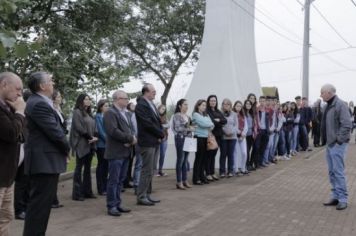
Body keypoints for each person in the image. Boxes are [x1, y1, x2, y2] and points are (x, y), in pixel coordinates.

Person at [23, 72, 70, 236]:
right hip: (43, 162)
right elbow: (55, 132)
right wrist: (67, 148)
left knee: (41, 208)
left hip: (46, 160)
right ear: (42, 86)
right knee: (39, 208)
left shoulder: (40, 102)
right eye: (50, 81)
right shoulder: (38, 104)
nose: (53, 83)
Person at [0, 72, 26, 236]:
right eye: (17, 89)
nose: (19, 94)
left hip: (7, 176)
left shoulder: (9, 106)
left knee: (6, 217)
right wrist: (20, 112)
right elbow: (11, 133)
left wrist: (18, 113)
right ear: (3, 84)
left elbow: (21, 134)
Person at [104, 90, 136, 216]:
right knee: (113, 180)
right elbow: (113, 131)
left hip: (125, 151)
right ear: (117, 99)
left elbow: (130, 129)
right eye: (125, 98)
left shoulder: (126, 113)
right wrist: (129, 139)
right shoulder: (110, 113)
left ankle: (117, 203)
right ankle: (111, 205)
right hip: (116, 152)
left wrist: (132, 138)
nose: (127, 100)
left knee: (120, 180)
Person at [320, 84, 352, 210]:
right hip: (330, 143)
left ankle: (343, 199)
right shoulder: (328, 105)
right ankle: (335, 196)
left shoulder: (340, 105)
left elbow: (346, 124)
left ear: (329, 93)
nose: (320, 95)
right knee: (332, 171)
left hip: (337, 144)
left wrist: (338, 140)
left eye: (322, 92)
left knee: (338, 172)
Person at [135, 84, 164, 206]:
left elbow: (157, 121)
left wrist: (159, 134)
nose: (155, 93)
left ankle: (147, 194)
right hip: (147, 142)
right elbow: (147, 124)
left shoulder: (151, 104)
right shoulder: (141, 105)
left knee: (151, 169)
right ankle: (141, 196)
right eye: (153, 91)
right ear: (146, 92)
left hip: (154, 140)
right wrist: (160, 134)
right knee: (146, 170)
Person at [70, 94, 98, 201]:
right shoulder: (77, 112)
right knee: (79, 168)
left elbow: (94, 127)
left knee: (87, 169)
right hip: (81, 144)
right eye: (86, 99)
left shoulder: (89, 114)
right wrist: (90, 137)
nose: (88, 100)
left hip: (90, 144)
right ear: (81, 101)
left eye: (89, 99)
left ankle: (87, 191)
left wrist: (95, 137)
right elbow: (78, 127)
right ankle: (77, 194)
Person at [51, 90, 68, 209]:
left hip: (61, 138)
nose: (60, 98)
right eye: (59, 96)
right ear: (54, 98)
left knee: (56, 172)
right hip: (56, 143)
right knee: (53, 172)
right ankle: (52, 200)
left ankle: (54, 199)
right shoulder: (51, 110)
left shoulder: (59, 110)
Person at [172, 99, 193, 189]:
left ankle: (185, 180)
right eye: (185, 104)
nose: (186, 106)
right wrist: (189, 129)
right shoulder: (177, 115)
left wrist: (191, 128)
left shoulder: (188, 116)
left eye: (187, 105)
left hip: (188, 139)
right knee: (180, 160)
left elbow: (191, 127)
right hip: (180, 139)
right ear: (180, 106)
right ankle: (179, 181)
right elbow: (177, 128)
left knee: (185, 160)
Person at [192, 99, 214, 185]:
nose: (204, 107)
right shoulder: (195, 114)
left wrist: (208, 124)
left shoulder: (206, 115)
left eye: (205, 105)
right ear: (198, 106)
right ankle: (196, 178)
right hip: (198, 138)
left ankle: (202, 176)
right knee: (198, 158)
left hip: (206, 138)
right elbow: (203, 124)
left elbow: (212, 125)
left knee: (204, 158)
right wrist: (208, 124)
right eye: (202, 105)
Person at [206, 95, 227, 181]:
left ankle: (212, 172)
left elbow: (225, 120)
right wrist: (218, 121)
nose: (213, 102)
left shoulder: (218, 110)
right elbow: (212, 122)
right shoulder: (207, 111)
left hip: (219, 136)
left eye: (214, 101)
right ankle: (208, 173)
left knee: (214, 155)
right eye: (211, 101)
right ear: (208, 101)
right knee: (209, 155)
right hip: (212, 136)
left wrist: (219, 120)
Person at [220, 98, 238, 178]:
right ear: (222, 105)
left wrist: (231, 132)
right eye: (224, 104)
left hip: (232, 137)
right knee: (223, 154)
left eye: (228, 104)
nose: (226, 105)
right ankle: (222, 171)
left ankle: (230, 171)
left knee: (231, 154)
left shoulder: (234, 114)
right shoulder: (220, 114)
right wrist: (225, 132)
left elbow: (236, 125)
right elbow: (220, 125)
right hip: (223, 137)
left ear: (230, 105)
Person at [95, 99, 109, 195]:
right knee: (101, 166)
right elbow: (100, 131)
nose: (107, 108)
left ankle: (105, 186)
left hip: (108, 145)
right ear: (100, 107)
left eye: (108, 106)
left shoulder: (107, 116)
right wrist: (108, 141)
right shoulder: (98, 117)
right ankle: (101, 188)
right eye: (105, 106)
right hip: (101, 145)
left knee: (106, 167)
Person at [233, 100, 248, 175]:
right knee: (235, 153)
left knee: (244, 153)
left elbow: (246, 126)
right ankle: (236, 169)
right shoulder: (233, 115)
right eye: (237, 106)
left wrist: (243, 133)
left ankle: (243, 168)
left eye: (240, 106)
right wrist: (239, 132)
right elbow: (234, 126)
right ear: (234, 106)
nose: (238, 107)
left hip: (243, 137)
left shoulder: (243, 115)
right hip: (235, 136)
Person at [156, 104, 170, 177]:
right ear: (158, 109)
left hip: (164, 138)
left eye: (164, 109)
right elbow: (155, 126)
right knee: (155, 155)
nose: (163, 110)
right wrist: (162, 126)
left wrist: (161, 126)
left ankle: (160, 170)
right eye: (162, 109)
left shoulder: (165, 117)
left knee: (162, 154)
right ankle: (154, 171)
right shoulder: (155, 115)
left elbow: (169, 125)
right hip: (156, 138)